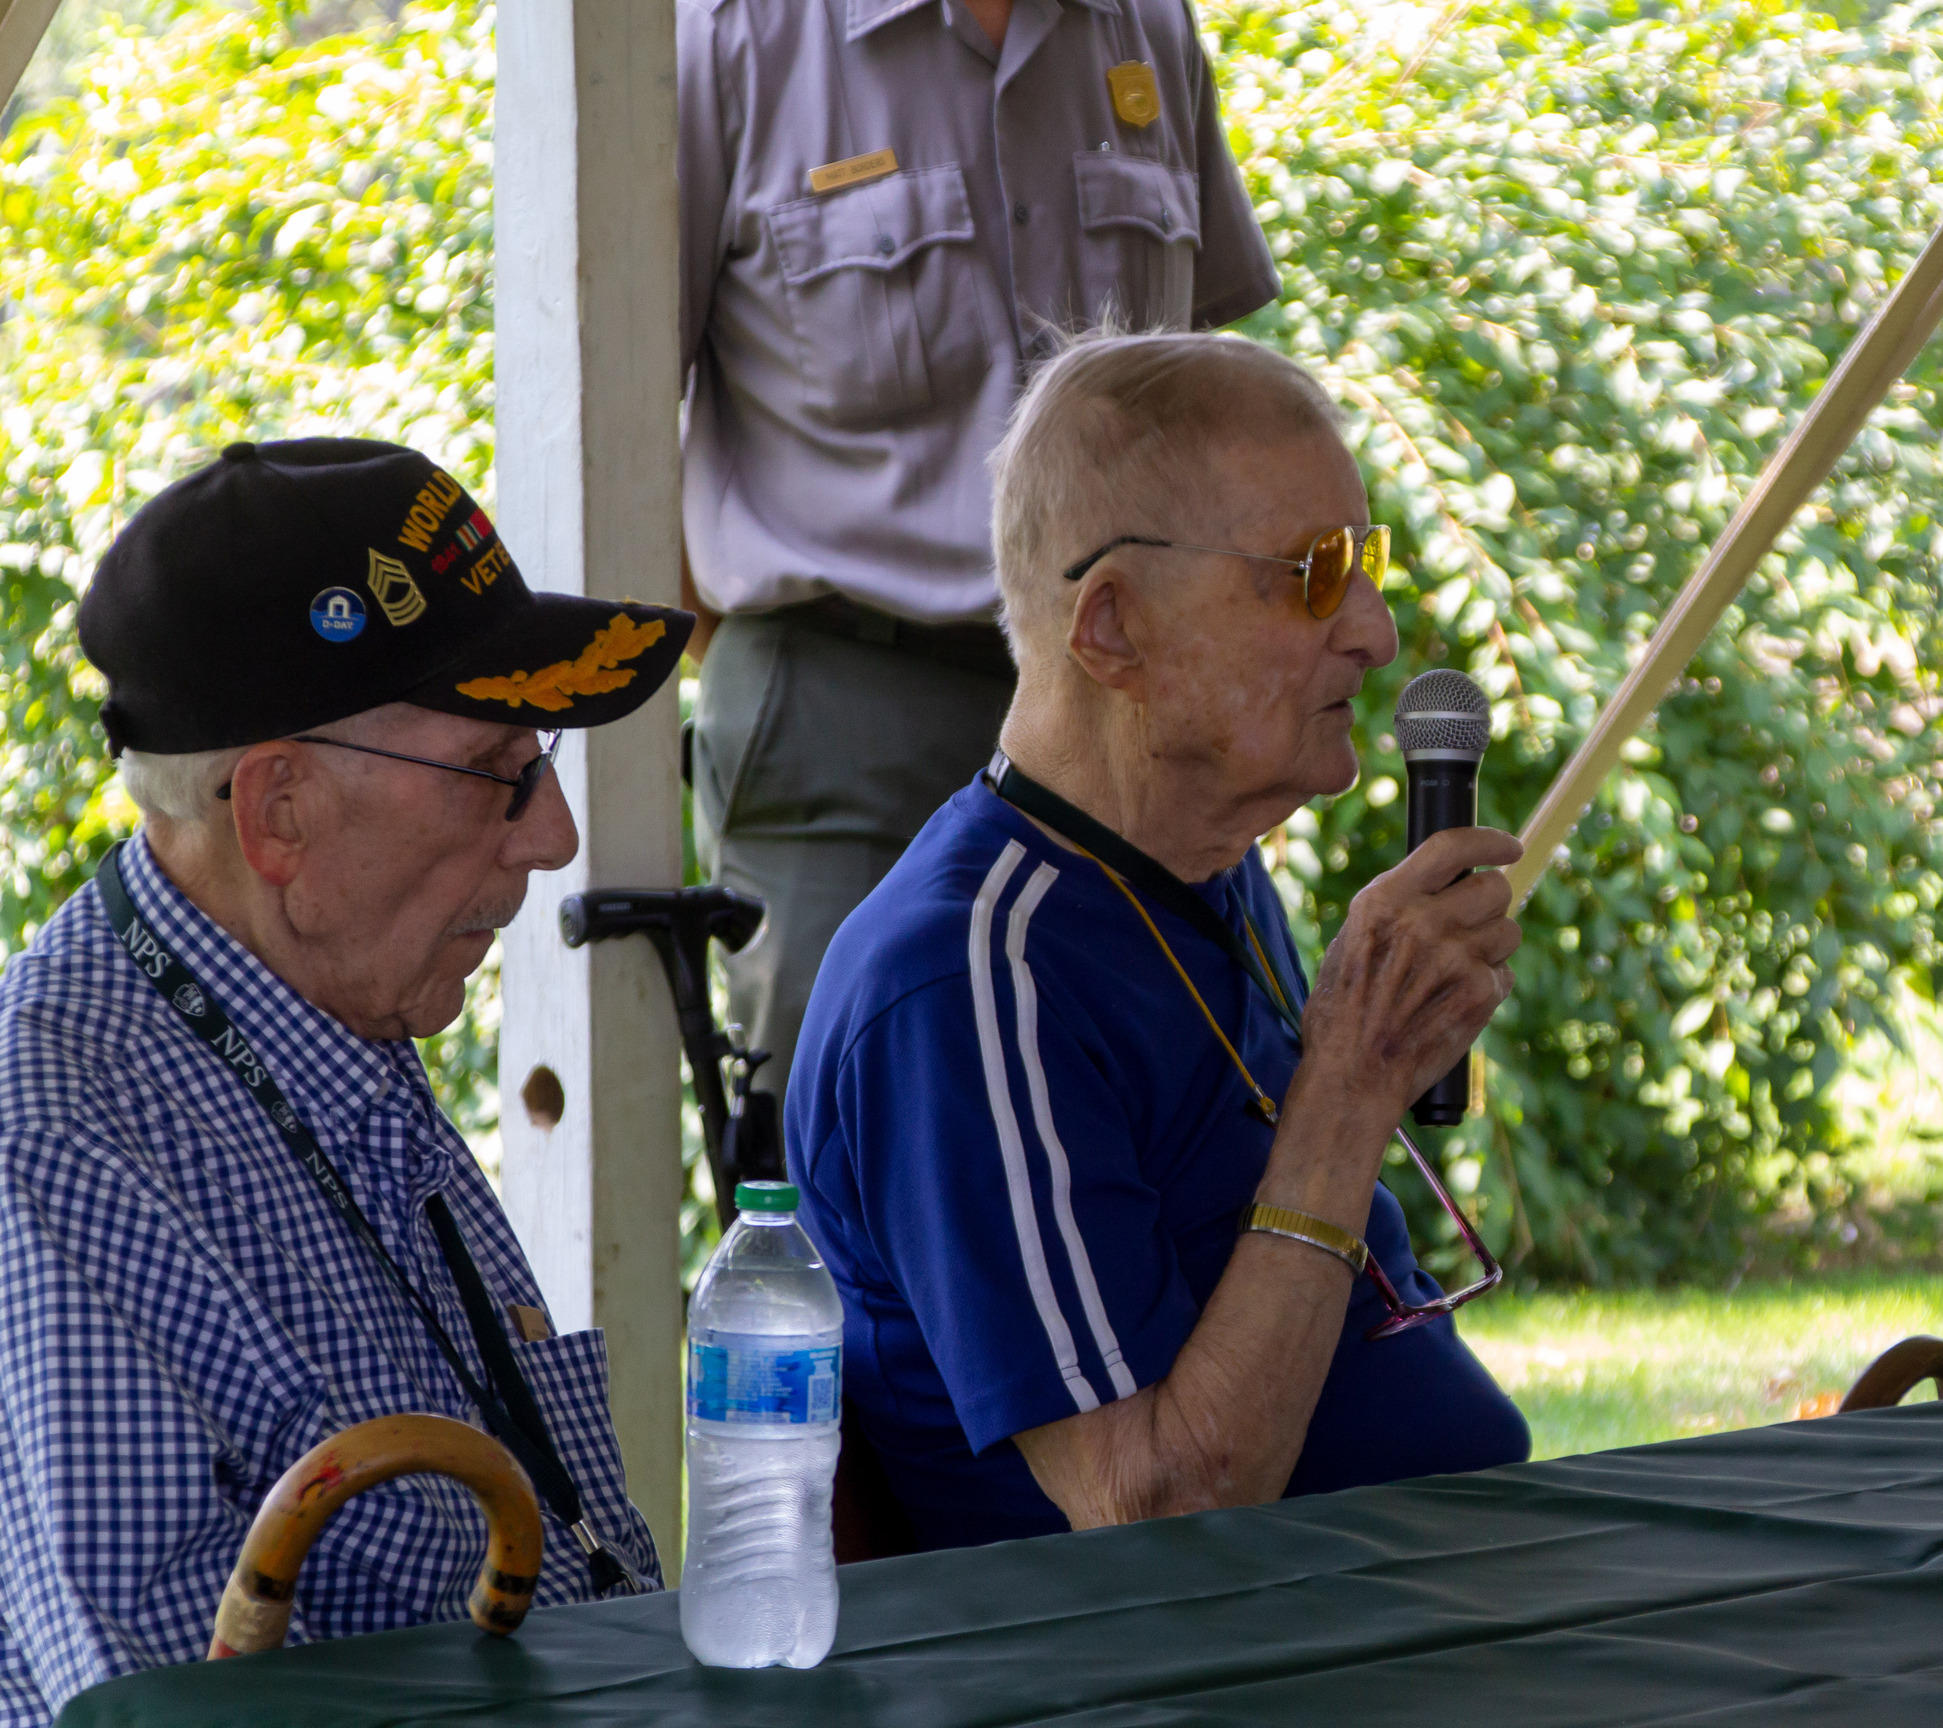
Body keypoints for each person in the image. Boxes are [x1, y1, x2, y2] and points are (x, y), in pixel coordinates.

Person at [787, 332, 1530, 1548]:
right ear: (1113, 632)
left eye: (1367, 562)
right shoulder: (974, 982)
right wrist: (1348, 1091)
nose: (1377, 633)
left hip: (1413, 1604)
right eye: (1312, 573)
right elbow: (1155, 1512)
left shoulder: (1206, 871)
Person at [0, 439, 689, 1718]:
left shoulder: (320, 1015)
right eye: (500, 774)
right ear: (280, 815)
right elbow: (173, 1714)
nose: (556, 836)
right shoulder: (58, 1150)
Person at [675, 0, 1281, 1108]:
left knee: (1184, 1132)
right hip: (848, 714)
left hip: (1130, 707)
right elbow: (609, 411)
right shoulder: (726, 37)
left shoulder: (1144, 24)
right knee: (853, 1153)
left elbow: (1204, 394)